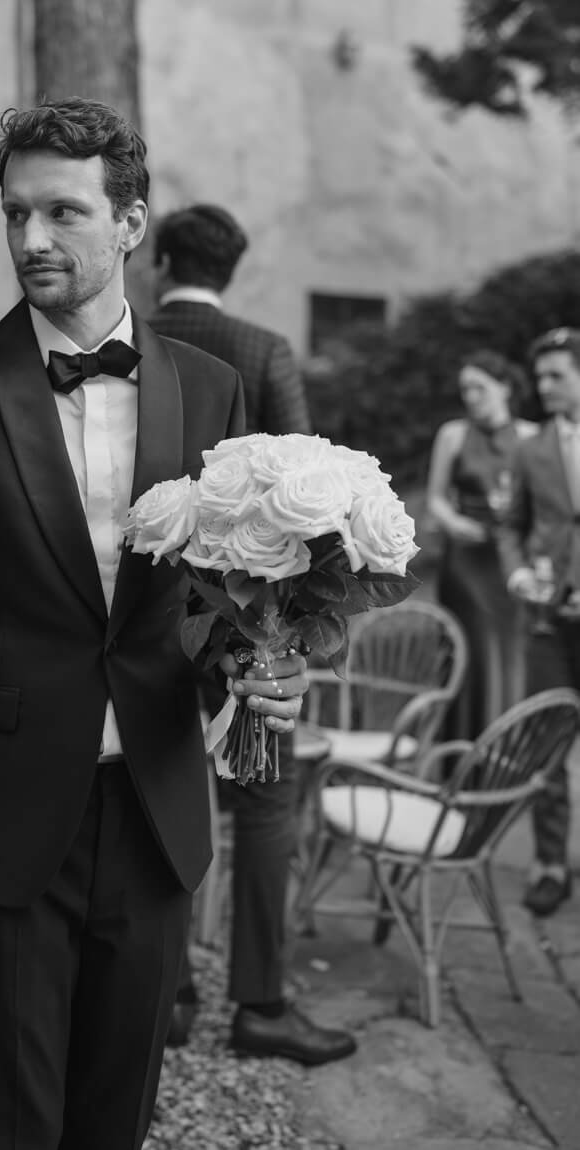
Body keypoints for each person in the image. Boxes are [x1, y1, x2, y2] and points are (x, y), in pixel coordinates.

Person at [0, 98, 309, 1150]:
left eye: (61, 212)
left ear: (129, 224)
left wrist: (262, 669)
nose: (30, 238)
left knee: (116, 1123)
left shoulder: (211, 389)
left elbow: (218, 599)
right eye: (15, 213)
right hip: (2, 818)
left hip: (156, 815)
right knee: (2, 1128)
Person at [149, 203, 355, 1067]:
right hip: (252, 620)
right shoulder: (264, 348)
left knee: (156, 788)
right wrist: (290, 620)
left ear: (160, 261)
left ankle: (165, 995)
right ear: (228, 271)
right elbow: (311, 483)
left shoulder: (133, 338)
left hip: (148, 615)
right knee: (266, 801)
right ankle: (261, 1003)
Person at [497, 326, 580, 918]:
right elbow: (511, 526)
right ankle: (550, 862)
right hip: (549, 621)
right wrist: (519, 573)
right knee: (548, 742)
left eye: (557, 375)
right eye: (541, 376)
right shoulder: (531, 450)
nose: (544, 386)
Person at [426, 351, 537, 737]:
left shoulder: (531, 437)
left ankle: (506, 746)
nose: (471, 396)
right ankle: (460, 748)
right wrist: (454, 523)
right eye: (465, 389)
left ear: (504, 387)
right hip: (466, 561)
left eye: (480, 387)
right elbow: (436, 498)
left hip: (510, 560)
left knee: (511, 652)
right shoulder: (452, 434)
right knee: (470, 650)